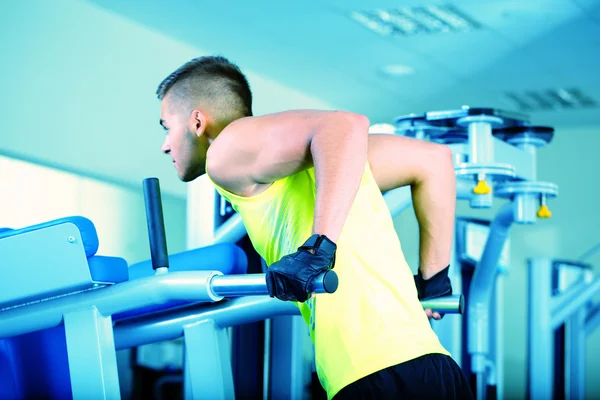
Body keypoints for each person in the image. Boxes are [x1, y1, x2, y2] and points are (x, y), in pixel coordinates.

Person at [156, 55, 473, 399]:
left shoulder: (224, 150)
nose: (165, 145)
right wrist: (434, 282)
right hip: (435, 368)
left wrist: (317, 249)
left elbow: (347, 124)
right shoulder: (338, 163)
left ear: (198, 121)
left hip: (374, 376)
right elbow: (434, 162)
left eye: (166, 127)